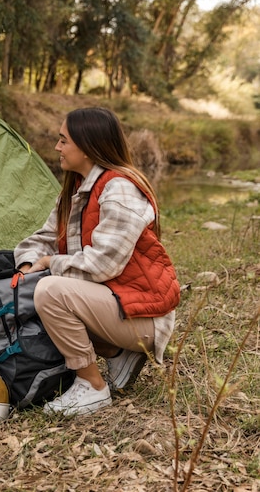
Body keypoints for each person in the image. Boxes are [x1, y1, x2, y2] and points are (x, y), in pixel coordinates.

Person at [14, 107, 180, 416]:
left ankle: (91, 386)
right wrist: (26, 266)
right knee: (35, 288)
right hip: (117, 304)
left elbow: (104, 264)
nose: (57, 148)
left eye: (64, 141)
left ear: (87, 146)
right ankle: (117, 353)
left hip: (143, 314)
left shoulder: (119, 188)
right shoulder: (76, 190)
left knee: (50, 291)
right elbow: (43, 237)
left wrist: (50, 263)